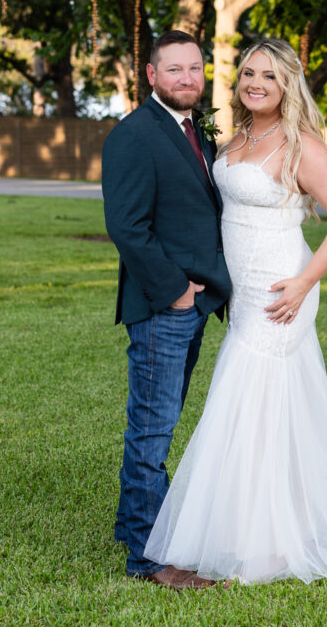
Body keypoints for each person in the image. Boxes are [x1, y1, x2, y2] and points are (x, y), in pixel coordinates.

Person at [144, 38, 327, 584]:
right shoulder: (237, 136)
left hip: (283, 289)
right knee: (257, 405)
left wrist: (304, 282)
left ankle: (261, 548)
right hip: (245, 291)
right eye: (249, 72)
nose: (256, 83)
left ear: (288, 85)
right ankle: (246, 531)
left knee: (250, 404)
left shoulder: (302, 144)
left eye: (270, 77)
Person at [102, 30, 232, 590]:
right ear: (151, 75)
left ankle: (133, 524)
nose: (187, 78)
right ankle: (148, 558)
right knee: (152, 430)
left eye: (195, 69)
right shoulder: (134, 135)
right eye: (174, 69)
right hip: (164, 306)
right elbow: (127, 227)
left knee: (161, 420)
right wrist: (177, 292)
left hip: (195, 304)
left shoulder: (191, 131)